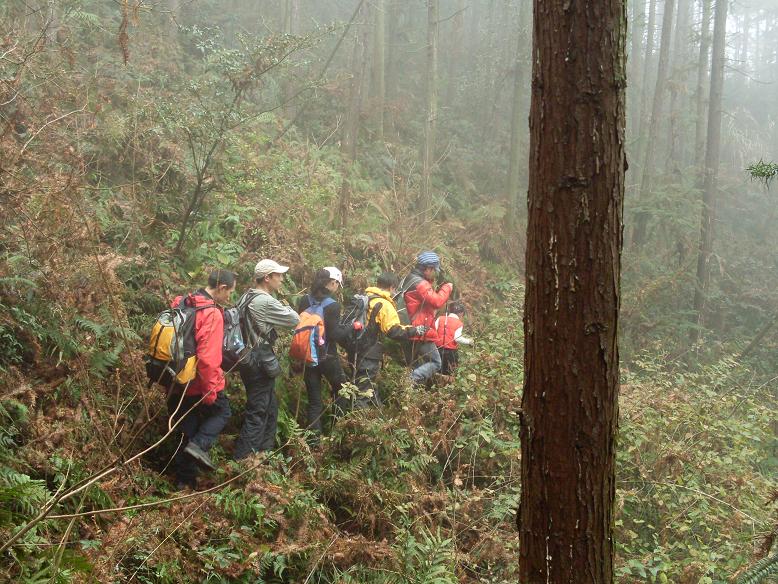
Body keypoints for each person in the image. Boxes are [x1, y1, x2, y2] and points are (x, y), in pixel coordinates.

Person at [167, 269, 236, 489]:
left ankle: (183, 482)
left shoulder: (183, 301)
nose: (229, 298)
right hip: (197, 382)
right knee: (222, 411)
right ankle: (199, 446)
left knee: (186, 428)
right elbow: (207, 360)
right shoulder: (211, 313)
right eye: (230, 293)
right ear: (222, 288)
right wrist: (211, 391)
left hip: (174, 378)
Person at [234, 259, 300, 460]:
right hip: (259, 362)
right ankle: (244, 460)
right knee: (258, 410)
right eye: (278, 275)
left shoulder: (245, 296)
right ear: (267, 278)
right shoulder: (264, 301)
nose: (281, 279)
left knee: (269, 406)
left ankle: (263, 454)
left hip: (247, 359)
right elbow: (294, 319)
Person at [343, 272, 427, 410]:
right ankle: (358, 424)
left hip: (354, 347)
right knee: (363, 390)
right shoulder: (384, 304)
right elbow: (393, 331)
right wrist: (415, 330)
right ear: (392, 287)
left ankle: (378, 414)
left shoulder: (365, 298)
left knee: (362, 383)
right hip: (369, 351)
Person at [296, 267, 349, 444]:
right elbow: (334, 335)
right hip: (327, 357)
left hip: (307, 356)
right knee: (342, 391)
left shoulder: (304, 300)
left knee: (314, 400)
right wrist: (352, 327)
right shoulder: (333, 305)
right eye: (337, 284)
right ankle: (336, 434)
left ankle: (314, 442)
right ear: (332, 283)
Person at [401, 251, 453, 384]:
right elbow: (437, 301)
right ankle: (410, 380)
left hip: (408, 328)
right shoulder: (421, 284)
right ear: (428, 268)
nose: (435, 273)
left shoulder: (409, 278)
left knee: (414, 366)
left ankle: (408, 393)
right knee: (435, 363)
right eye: (434, 270)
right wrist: (446, 288)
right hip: (420, 331)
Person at [433, 300, 472, 376]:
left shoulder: (440, 318)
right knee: (449, 372)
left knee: (436, 370)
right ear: (461, 313)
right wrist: (469, 341)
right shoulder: (459, 323)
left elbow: (433, 331)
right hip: (450, 352)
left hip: (436, 349)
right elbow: (457, 338)